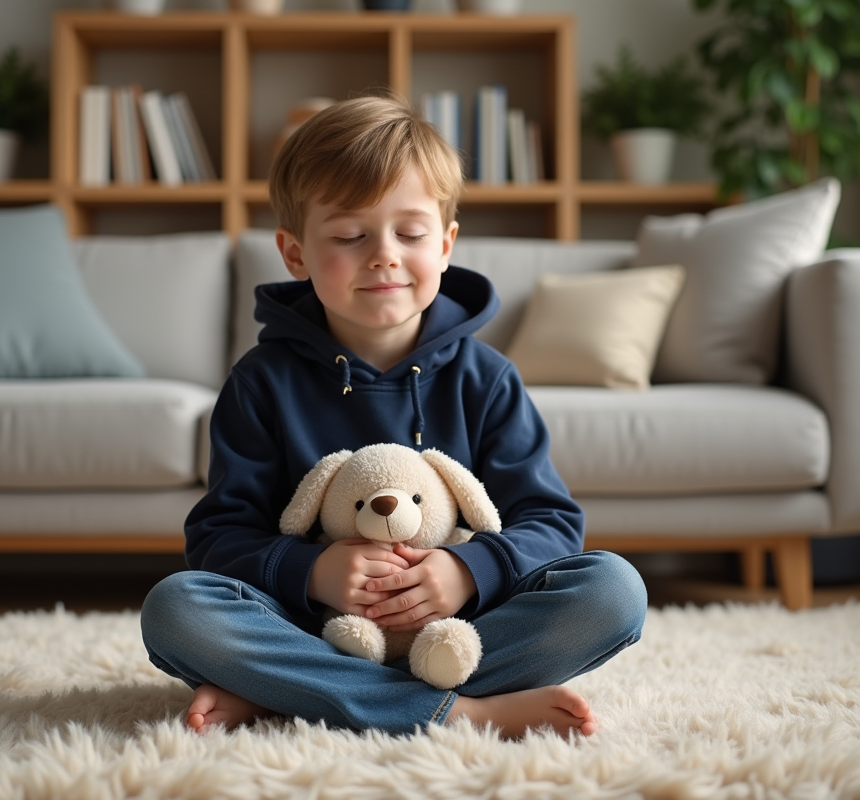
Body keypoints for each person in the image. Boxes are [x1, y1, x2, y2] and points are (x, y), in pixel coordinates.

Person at [140, 94, 647, 739]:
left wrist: (468, 571)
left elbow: (550, 523)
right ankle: (453, 711)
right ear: (294, 253)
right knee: (177, 609)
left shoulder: (487, 379)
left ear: (445, 245)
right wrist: (314, 571)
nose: (383, 255)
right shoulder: (259, 383)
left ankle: (294, 692)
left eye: (409, 234)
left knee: (613, 591)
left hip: (458, 632)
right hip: (318, 626)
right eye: (350, 236)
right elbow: (217, 541)